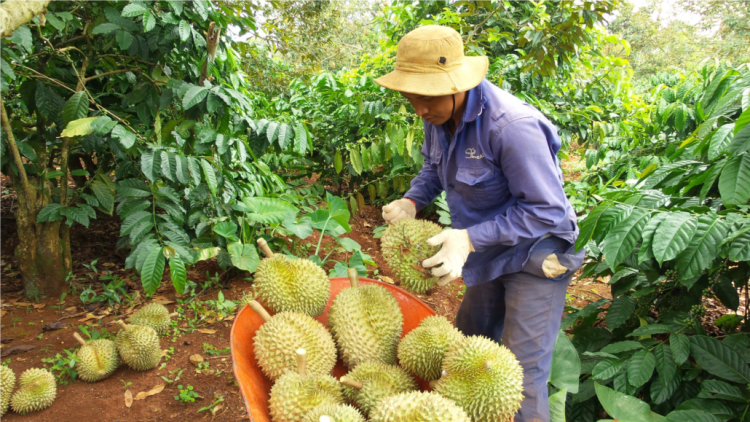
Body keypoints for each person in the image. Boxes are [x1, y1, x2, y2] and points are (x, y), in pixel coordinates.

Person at [375, 25, 584, 422]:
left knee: (521, 374)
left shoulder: (513, 127)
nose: (419, 108)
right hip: (486, 248)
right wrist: (411, 200)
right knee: (469, 343)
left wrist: (469, 239)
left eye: (428, 97)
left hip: (538, 254)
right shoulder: (437, 113)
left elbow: (547, 211)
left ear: (458, 84)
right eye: (411, 97)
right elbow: (435, 167)